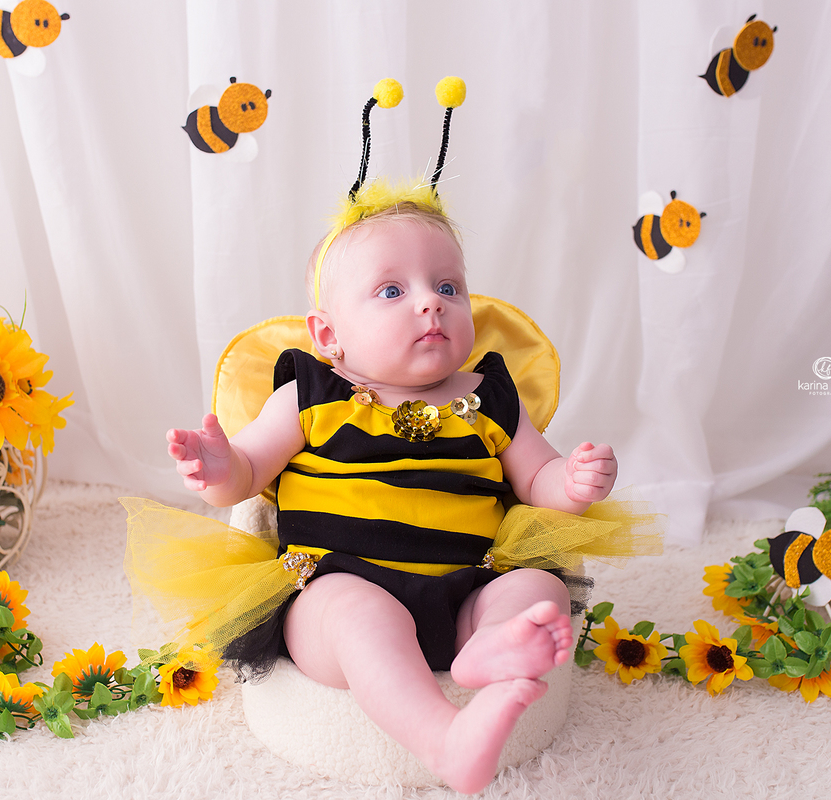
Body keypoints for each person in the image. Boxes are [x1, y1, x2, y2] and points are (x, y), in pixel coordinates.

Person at [162, 201, 631, 793]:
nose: (430, 301)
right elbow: (250, 473)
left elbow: (537, 483)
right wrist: (218, 464)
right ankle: (445, 739)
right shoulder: (310, 395)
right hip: (335, 588)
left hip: (466, 586)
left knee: (536, 589)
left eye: (447, 286)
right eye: (391, 290)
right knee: (359, 615)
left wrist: (573, 482)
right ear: (329, 334)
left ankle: (490, 649)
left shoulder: (489, 396)